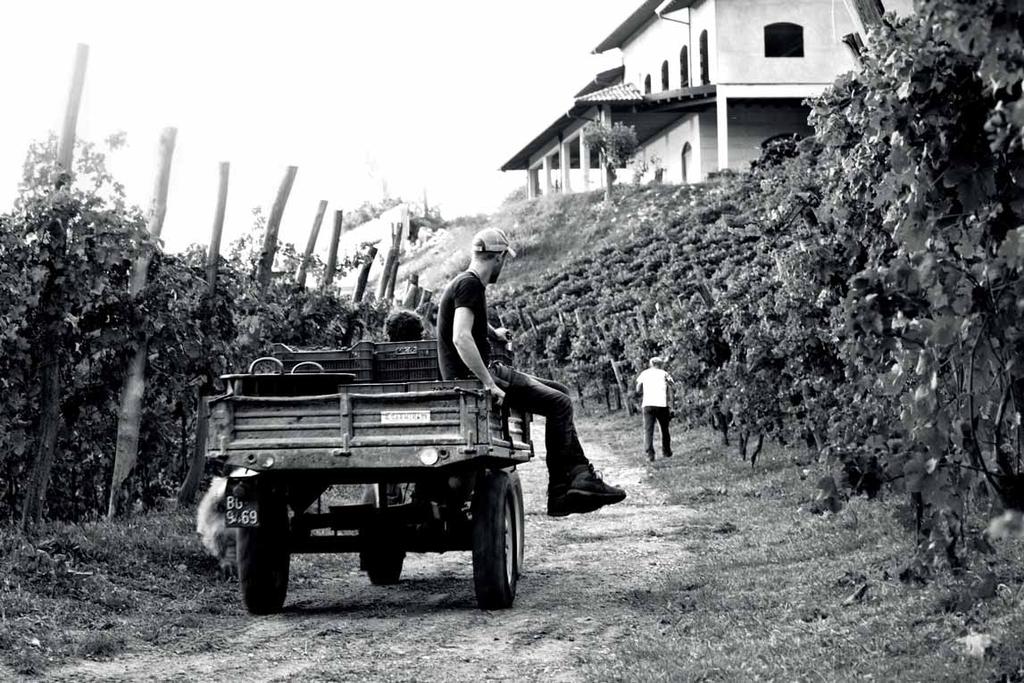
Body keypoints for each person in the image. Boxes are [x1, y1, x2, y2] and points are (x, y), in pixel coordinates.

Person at [437, 227, 626, 517]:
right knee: (560, 403)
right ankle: (561, 491)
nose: (504, 265)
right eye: (505, 260)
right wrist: (488, 383)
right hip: (477, 378)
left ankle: (577, 477)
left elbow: (468, 321)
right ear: (498, 257)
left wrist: (493, 332)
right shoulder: (471, 285)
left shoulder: (464, 283)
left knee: (561, 392)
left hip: (481, 372)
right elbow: (461, 337)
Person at [635, 356, 674, 461]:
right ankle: (667, 452)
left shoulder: (644, 373)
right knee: (664, 429)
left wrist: (646, 390)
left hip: (648, 404)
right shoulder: (664, 373)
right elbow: (671, 385)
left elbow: (638, 389)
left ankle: (650, 455)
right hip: (662, 404)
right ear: (660, 364)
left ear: (651, 364)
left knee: (648, 430)